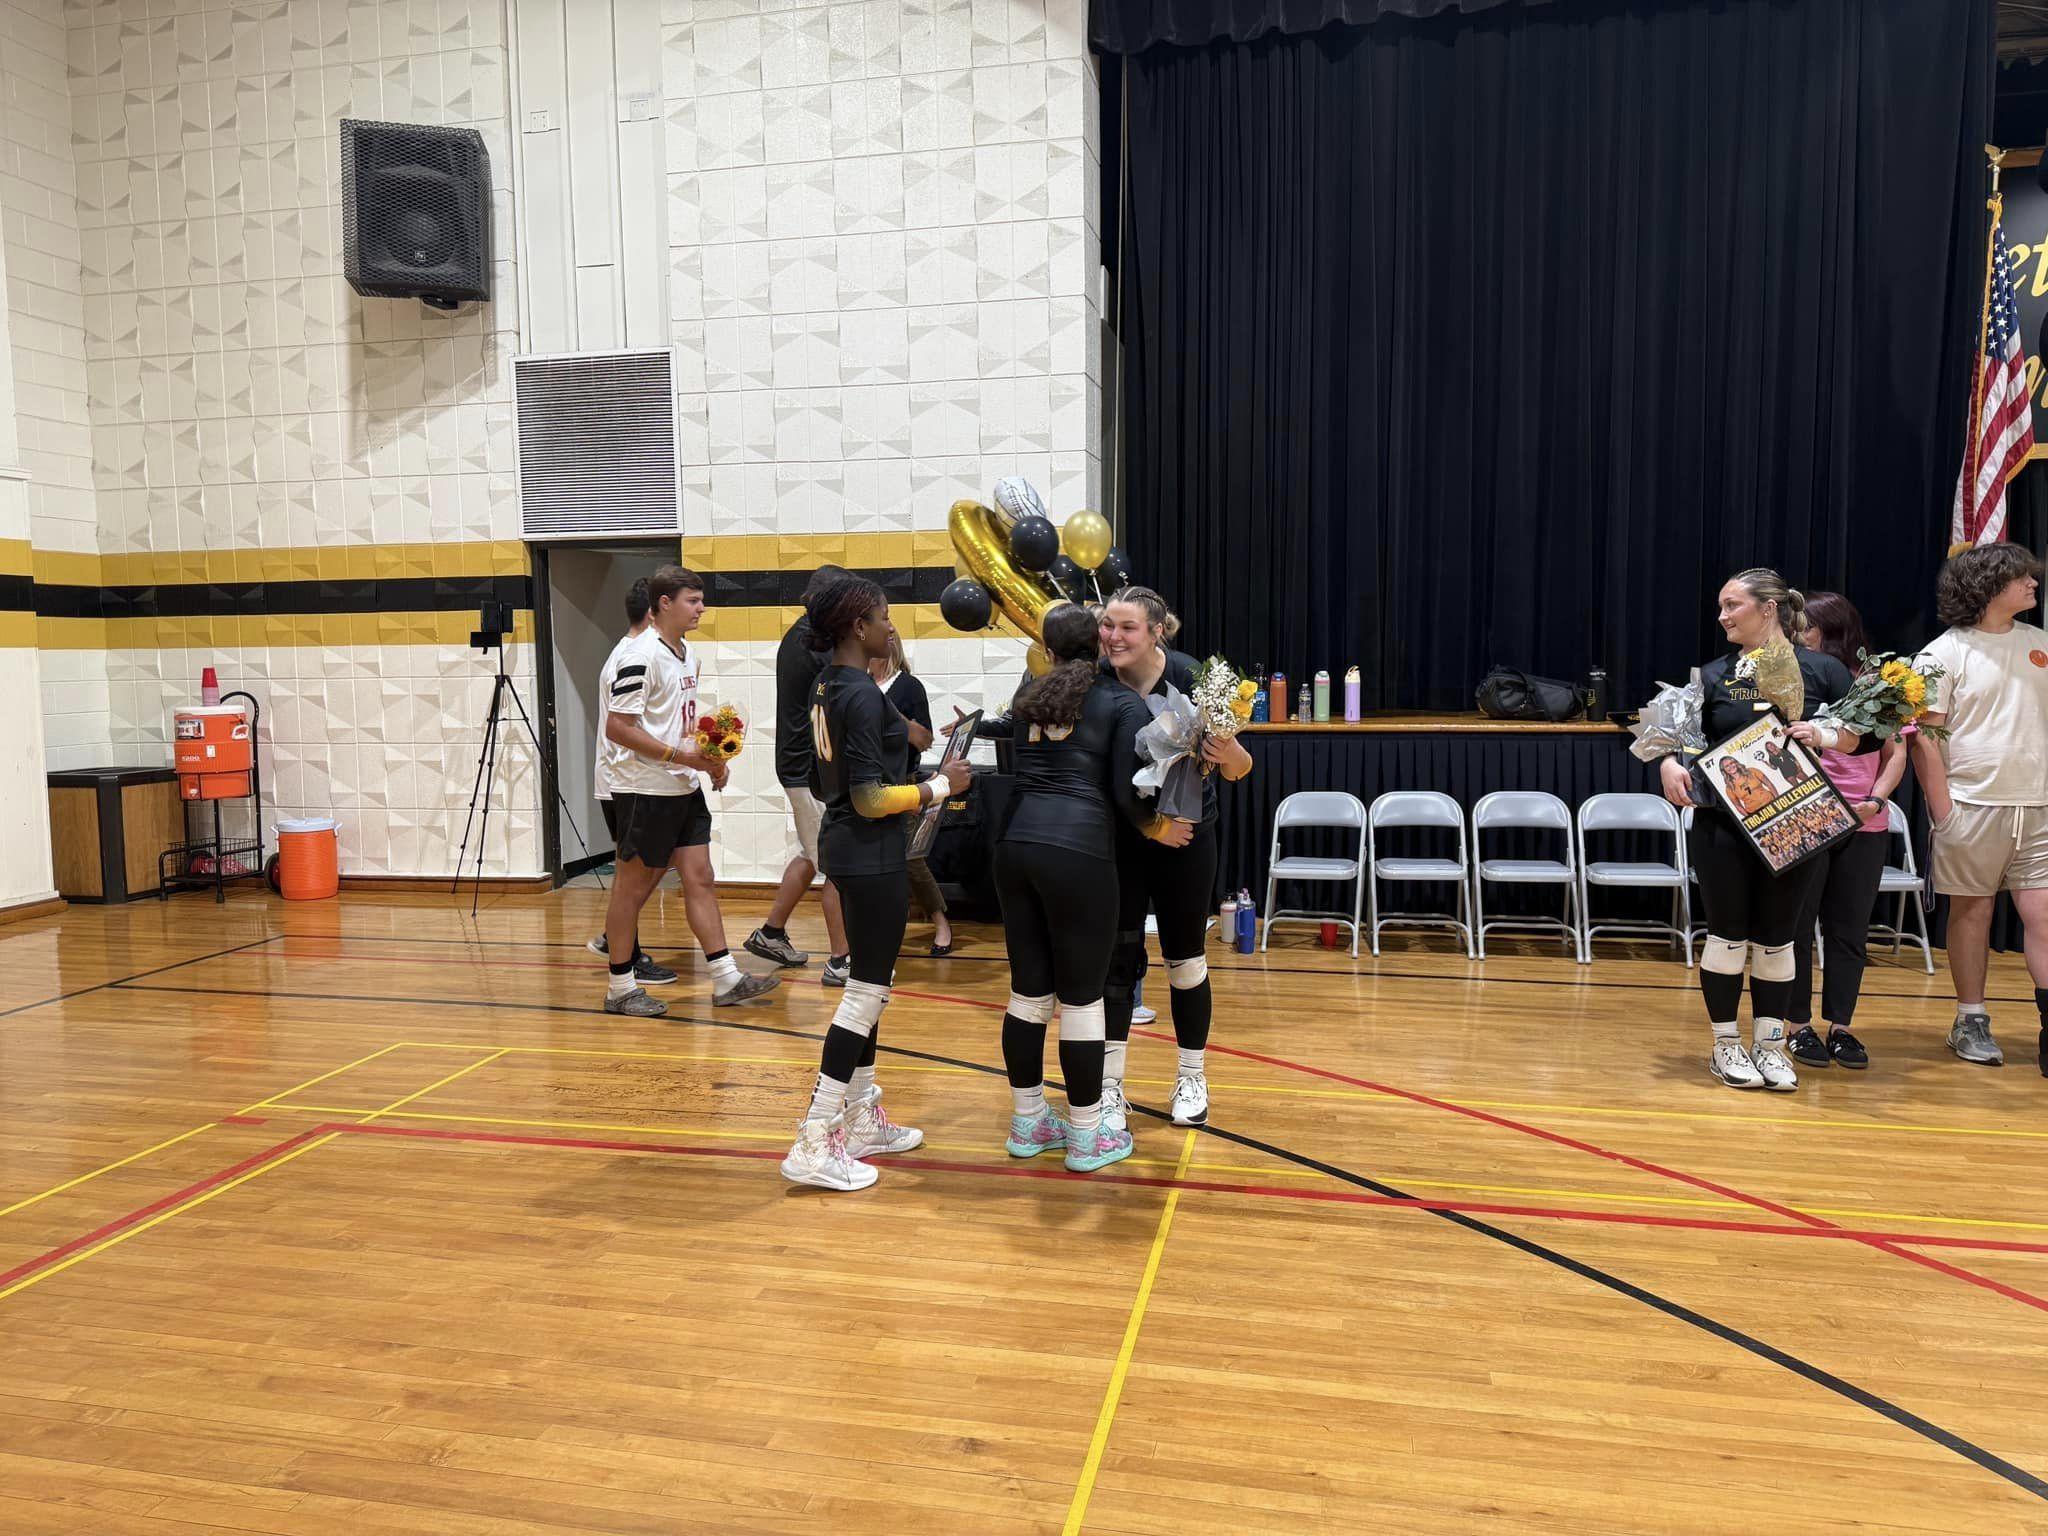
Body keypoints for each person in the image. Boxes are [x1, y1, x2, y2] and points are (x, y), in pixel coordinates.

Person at [781, 574, 974, 1190]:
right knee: (864, 994)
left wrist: (920, 737)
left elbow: (869, 752)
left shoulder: (831, 684)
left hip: (849, 849)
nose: (893, 628)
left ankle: (860, 1117)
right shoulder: (859, 693)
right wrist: (940, 787)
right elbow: (868, 799)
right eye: (885, 618)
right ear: (858, 628)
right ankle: (814, 1137)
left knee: (874, 985)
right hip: (869, 849)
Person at [996, 603, 1194, 1173]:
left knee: (1028, 994)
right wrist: (1161, 828)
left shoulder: (1027, 700)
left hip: (1013, 847)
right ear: (1099, 647)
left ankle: (1028, 1122)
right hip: (1076, 853)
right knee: (1082, 998)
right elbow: (1128, 796)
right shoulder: (1119, 702)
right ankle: (1087, 1136)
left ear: (1049, 650)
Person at [1656, 568, 1869, 1091]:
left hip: (1794, 822)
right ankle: (1726, 1044)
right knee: (1727, 936)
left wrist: (1822, 732)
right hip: (1722, 826)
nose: (1722, 615)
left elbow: (1864, 738)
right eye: (1721, 607)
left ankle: (1771, 1046)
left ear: (1768, 608)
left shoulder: (1823, 670)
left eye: (1733, 605)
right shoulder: (1710, 675)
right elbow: (1678, 737)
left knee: (1778, 940)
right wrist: (1667, 762)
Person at [1098, 586, 1254, 1130]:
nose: (1113, 637)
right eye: (1107, 625)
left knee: (1185, 960)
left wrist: (1230, 752)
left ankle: (1191, 1075)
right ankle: (1110, 1086)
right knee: (1115, 966)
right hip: (1121, 842)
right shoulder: (1095, 681)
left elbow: (1238, 770)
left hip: (1189, 840)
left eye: (1127, 628)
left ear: (1156, 631)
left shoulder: (1193, 678)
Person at [598, 566, 781, 1016]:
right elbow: (618, 727)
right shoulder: (640, 656)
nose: (701, 608)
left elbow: (676, 724)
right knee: (631, 891)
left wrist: (711, 760)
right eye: (692, 601)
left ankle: (726, 979)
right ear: (664, 604)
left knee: (700, 876)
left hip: (681, 786)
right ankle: (620, 988)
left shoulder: (685, 653)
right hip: (644, 789)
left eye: (701, 600)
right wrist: (682, 760)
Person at [1909, 544, 2048, 1074]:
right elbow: (1925, 737)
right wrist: (1944, 812)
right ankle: (1970, 1018)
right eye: (2023, 578)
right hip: (1971, 805)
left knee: (2042, 916)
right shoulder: (1943, 653)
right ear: (1990, 586)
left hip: (2037, 805)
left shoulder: (2039, 645)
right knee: (1974, 912)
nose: (2034, 584)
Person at [1785, 592, 1910, 1071]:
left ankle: (1841, 1026)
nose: (1797, 634)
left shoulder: (1877, 683)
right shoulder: (1795, 676)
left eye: (1806, 626)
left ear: (1832, 629)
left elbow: (1895, 752)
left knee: (1849, 930)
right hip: (1808, 820)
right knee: (1796, 927)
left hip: (1864, 821)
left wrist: (1876, 800)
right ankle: (1797, 1026)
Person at [746, 566, 852, 983]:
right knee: (836, 863)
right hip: (808, 769)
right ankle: (841, 959)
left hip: (801, 765)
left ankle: (771, 932)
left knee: (810, 854)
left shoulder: (806, 634)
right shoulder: (812, 643)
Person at [586, 576, 678, 986]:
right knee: (635, 872)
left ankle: (615, 936)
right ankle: (627, 954)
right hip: (625, 780)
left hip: (646, 778)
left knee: (668, 859)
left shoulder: (652, 653)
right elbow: (620, 726)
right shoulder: (631, 657)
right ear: (655, 611)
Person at [867, 629, 954, 955]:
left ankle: (940, 920)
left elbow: (925, 736)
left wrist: (893, 720)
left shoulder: (908, 686)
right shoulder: (859, 683)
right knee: (875, 858)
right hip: (867, 781)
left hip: (901, 780)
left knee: (910, 858)